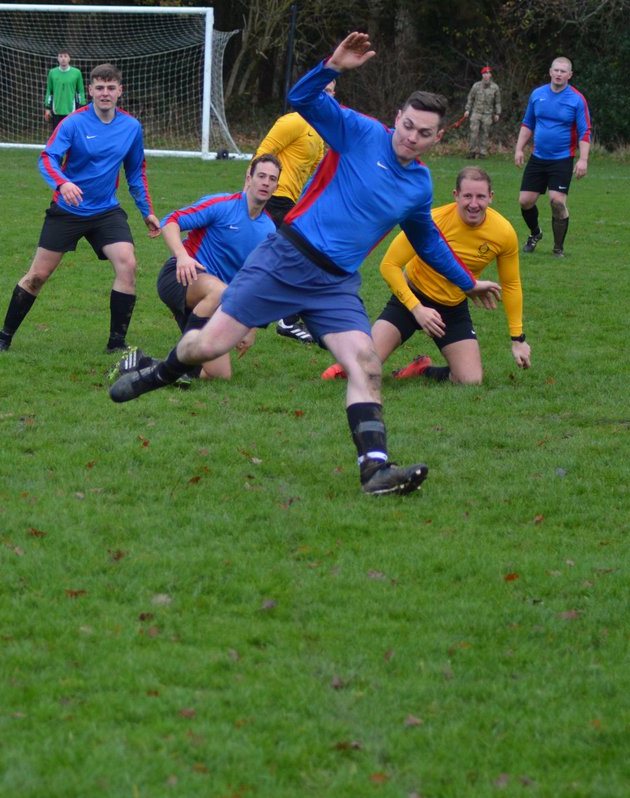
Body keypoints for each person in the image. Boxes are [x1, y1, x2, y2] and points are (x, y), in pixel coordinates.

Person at [109, 32, 502, 496]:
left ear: (438, 137)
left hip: (335, 286)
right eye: (408, 125)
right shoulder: (357, 131)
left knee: (366, 365)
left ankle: (375, 471)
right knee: (209, 346)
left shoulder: (418, 186)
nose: (412, 137)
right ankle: (158, 373)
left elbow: (429, 242)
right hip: (285, 259)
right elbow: (299, 99)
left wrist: (466, 281)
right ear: (397, 118)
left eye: (424, 133)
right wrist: (333, 64)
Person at [0, 63, 160, 354]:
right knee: (37, 277)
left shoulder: (131, 127)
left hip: (106, 211)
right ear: (90, 91)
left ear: (120, 91)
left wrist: (147, 212)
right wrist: (63, 184)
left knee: (128, 264)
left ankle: (116, 344)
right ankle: (4, 338)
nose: (105, 93)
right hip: (67, 211)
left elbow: (136, 172)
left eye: (110, 88)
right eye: (99, 88)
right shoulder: (73, 122)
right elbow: (48, 158)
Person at [320, 166, 529, 384]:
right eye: (467, 196)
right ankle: (348, 362)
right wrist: (416, 309)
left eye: (480, 197)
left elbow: (511, 284)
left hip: (452, 308)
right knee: (362, 370)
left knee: (470, 380)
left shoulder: (503, 233)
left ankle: (422, 370)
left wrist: (518, 339)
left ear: (491, 197)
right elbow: (389, 265)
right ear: (456, 195)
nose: (474, 204)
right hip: (411, 299)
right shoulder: (431, 222)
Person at [124, 154, 279, 381]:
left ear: (277, 186)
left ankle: (144, 364)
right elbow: (171, 221)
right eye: (261, 176)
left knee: (219, 375)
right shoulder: (223, 205)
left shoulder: (268, 230)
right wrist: (182, 256)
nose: (266, 182)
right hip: (180, 277)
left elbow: (256, 281)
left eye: (272, 179)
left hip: (214, 302)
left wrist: (251, 326)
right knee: (219, 291)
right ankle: (184, 350)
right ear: (249, 177)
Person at [253, 80, 337, 344]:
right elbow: (262, 155)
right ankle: (286, 320)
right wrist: (253, 195)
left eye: (331, 92)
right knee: (302, 257)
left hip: (292, 203)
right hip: (274, 199)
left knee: (292, 259)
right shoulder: (293, 121)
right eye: (322, 91)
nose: (327, 96)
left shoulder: (320, 129)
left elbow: (312, 171)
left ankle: (275, 314)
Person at [514, 56, 591, 258]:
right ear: (550, 71)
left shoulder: (576, 99)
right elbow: (528, 123)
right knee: (525, 201)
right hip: (538, 157)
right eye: (556, 70)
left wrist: (583, 159)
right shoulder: (537, 94)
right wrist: (519, 148)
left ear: (570, 75)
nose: (558, 74)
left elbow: (585, 131)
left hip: (562, 159)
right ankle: (535, 233)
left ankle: (558, 248)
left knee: (557, 201)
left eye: (563, 71)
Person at [463, 66, 501, 159]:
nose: (487, 75)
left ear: (490, 75)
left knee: (484, 133)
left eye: (488, 73)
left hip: (487, 114)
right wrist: (467, 110)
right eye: (485, 73)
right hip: (476, 112)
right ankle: (471, 152)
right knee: (473, 133)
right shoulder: (476, 86)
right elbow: (470, 98)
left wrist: (497, 113)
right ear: (482, 75)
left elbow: (497, 101)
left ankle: (482, 154)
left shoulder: (495, 87)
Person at [44, 50, 84, 131]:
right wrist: (47, 107)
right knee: (57, 134)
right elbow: (49, 91)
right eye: (61, 56)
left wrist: (82, 107)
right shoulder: (52, 72)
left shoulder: (77, 73)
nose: (63, 59)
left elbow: (80, 91)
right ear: (58, 58)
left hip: (71, 110)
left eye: (65, 56)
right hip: (56, 110)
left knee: (71, 133)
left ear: (69, 58)